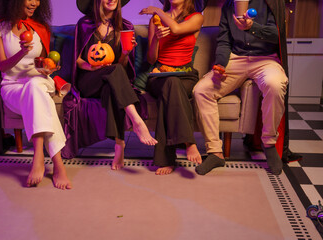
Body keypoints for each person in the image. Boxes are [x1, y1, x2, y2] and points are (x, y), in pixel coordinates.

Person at [0, 0, 72, 189]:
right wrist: (22, 52)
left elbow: (44, 62)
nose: (35, 3)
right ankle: (58, 164)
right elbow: (3, 66)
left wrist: (48, 69)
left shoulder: (40, 28)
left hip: (39, 81)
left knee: (35, 84)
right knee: (36, 91)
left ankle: (38, 156)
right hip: (12, 87)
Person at [193, 0, 289, 175]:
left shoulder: (269, 4)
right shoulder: (228, 6)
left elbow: (277, 35)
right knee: (201, 90)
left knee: (275, 84)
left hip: (266, 59)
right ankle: (215, 152)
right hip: (236, 59)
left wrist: (252, 27)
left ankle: (268, 144)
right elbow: (224, 41)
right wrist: (220, 64)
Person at [73, 0, 157, 170]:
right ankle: (137, 121)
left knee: (114, 82)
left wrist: (126, 53)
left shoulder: (125, 26)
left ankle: (119, 146)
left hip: (111, 78)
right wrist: (91, 66)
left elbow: (123, 66)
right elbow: (77, 59)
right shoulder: (85, 24)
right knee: (115, 73)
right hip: (88, 79)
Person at [139, 0, 204, 175]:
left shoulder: (196, 17)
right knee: (170, 83)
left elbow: (175, 29)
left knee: (171, 89)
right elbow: (152, 59)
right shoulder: (156, 19)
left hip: (185, 75)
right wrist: (156, 40)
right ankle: (189, 142)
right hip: (159, 75)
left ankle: (166, 159)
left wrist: (157, 11)